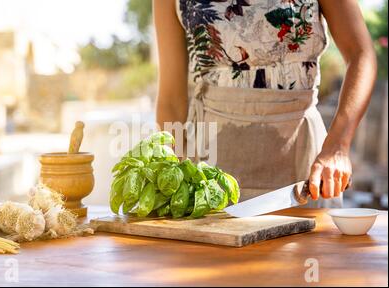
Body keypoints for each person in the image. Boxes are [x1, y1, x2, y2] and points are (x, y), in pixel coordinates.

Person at [153, 0, 377, 203]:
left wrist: (337, 146)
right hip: (207, 173)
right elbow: (172, 100)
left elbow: (361, 53)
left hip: (302, 172)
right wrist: (170, 176)